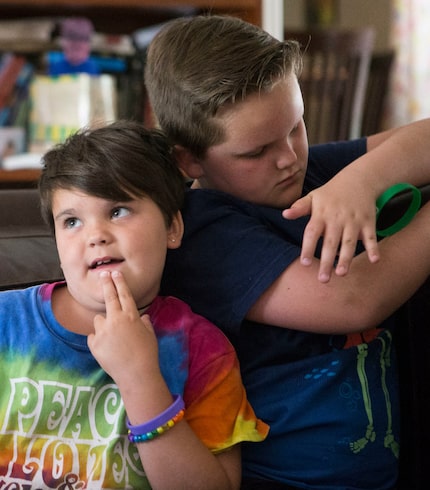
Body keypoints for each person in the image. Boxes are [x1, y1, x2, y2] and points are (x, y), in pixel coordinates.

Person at [144, 14, 430, 490]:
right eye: (255, 153)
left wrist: (364, 177)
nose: (289, 157)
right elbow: (354, 299)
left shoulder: (308, 170)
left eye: (297, 126)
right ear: (187, 159)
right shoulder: (202, 232)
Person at [0, 120, 268, 489]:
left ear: (172, 227)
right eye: (73, 221)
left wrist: (140, 379)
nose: (96, 236)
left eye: (118, 211)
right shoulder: (6, 322)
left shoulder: (203, 351)